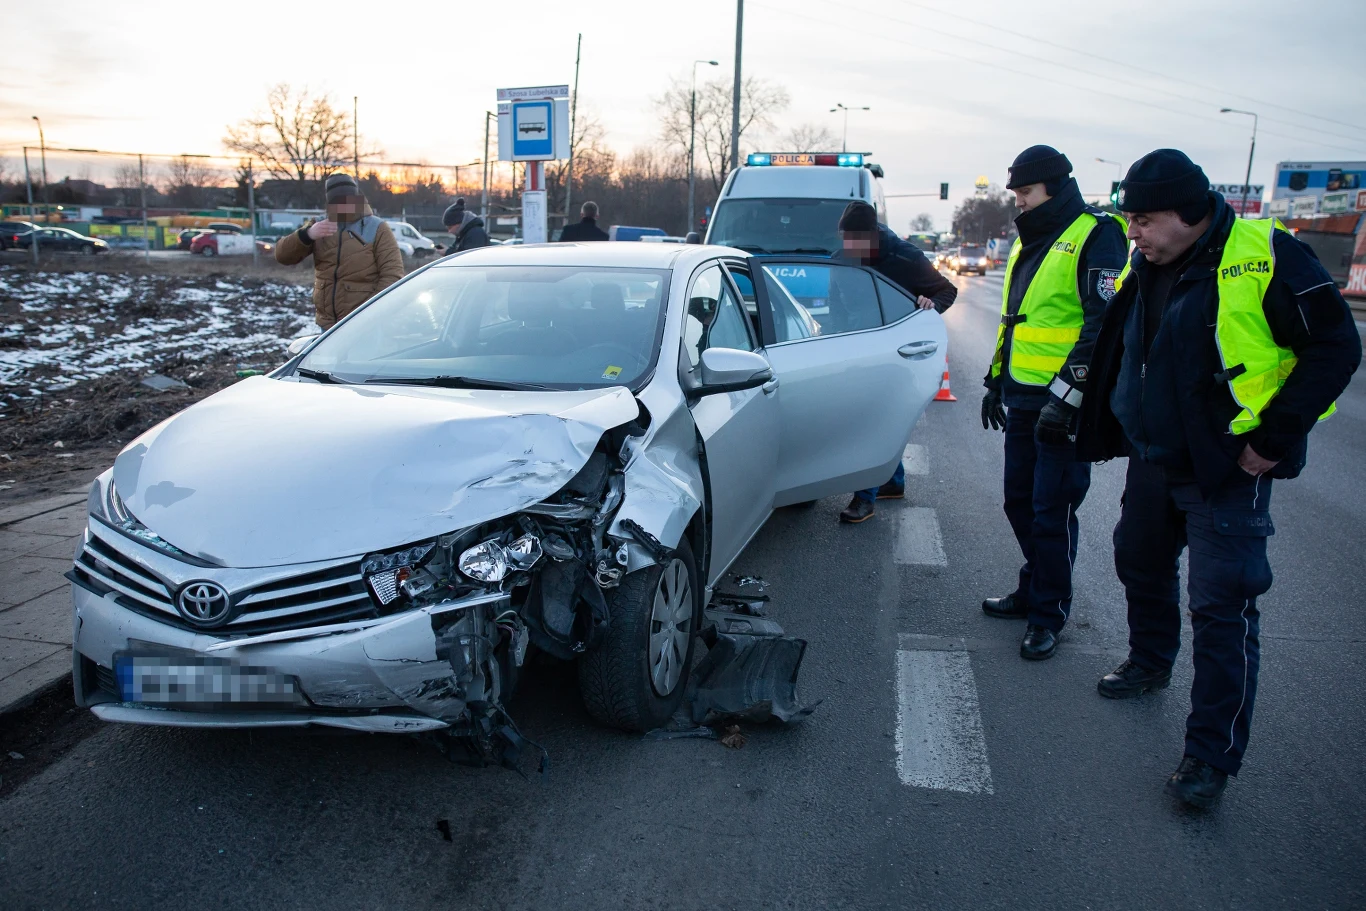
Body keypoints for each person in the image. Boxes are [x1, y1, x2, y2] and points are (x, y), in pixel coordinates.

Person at [1076, 149, 1360, 808]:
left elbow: (1336, 347)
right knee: (1136, 560)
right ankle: (1149, 660)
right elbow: (1126, 345)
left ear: (1191, 211)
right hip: (1155, 455)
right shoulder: (1146, 261)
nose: (1134, 233)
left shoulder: (1267, 253)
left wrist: (1275, 434)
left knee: (1221, 609)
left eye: (1144, 220)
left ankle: (1209, 755)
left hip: (1227, 467)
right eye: (1130, 221)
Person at [980, 146, 1128, 661]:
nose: (1020, 203)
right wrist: (995, 380)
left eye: (1026, 193)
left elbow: (1102, 324)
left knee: (1052, 509)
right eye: (1018, 194)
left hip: (1066, 403)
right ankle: (1033, 586)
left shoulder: (1097, 233)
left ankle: (1048, 612)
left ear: (1054, 187)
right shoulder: (1032, 239)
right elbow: (1017, 320)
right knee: (1019, 501)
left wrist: (1067, 398)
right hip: (1023, 395)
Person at [836, 201, 957, 524]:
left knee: (871, 421)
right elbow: (836, 303)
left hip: (894, 352)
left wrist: (929, 304)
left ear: (872, 236)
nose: (848, 248)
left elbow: (947, 290)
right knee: (876, 420)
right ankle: (893, 481)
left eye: (854, 241)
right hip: (854, 350)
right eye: (844, 240)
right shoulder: (842, 260)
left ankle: (864, 498)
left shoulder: (907, 258)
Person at [275, 173, 404, 331]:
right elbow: (282, 256)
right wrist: (306, 235)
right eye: (337, 201)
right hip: (328, 327)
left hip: (365, 325)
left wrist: (369, 313)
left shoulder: (377, 228)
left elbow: (392, 275)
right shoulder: (318, 225)